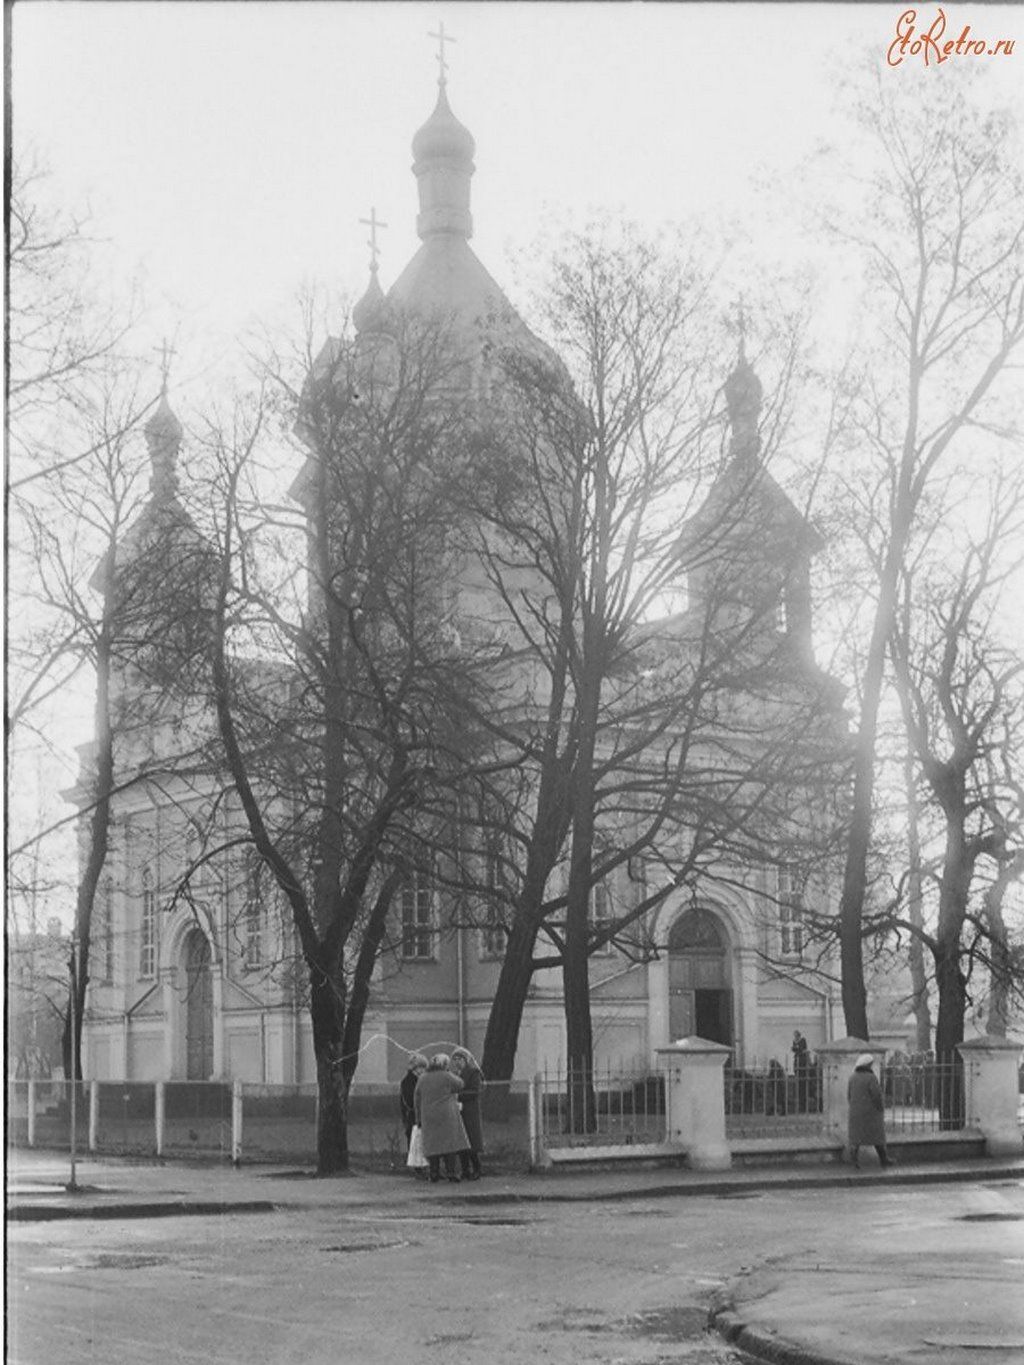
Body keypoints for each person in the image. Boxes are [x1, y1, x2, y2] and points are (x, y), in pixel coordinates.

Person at [414, 1053, 470, 1183]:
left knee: (432, 1145)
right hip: (446, 1115)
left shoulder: (422, 1078)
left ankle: (434, 1173)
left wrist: (418, 1118)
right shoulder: (447, 1076)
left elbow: (417, 1098)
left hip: (428, 1116)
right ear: (445, 1065)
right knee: (449, 1145)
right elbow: (461, 1084)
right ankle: (451, 1173)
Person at [847, 1052, 893, 1169]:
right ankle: (884, 1159)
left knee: (856, 1138)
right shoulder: (871, 1078)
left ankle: (854, 1161)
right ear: (868, 1065)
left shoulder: (852, 1077)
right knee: (877, 1137)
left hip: (856, 1112)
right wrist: (880, 1107)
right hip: (871, 1112)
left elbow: (849, 1095)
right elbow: (876, 1095)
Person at [451, 1047, 484, 1179]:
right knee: (461, 1141)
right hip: (458, 1111)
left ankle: (477, 1168)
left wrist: (459, 1095)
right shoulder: (454, 1074)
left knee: (471, 1140)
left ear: (466, 1060)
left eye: (459, 1059)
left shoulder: (473, 1072)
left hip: (470, 1110)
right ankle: (465, 1170)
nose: (457, 1062)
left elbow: (475, 1091)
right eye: (455, 1059)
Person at [399, 1053, 428, 1177]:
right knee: (415, 1142)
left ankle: (424, 1167)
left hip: (422, 1115)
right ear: (414, 1068)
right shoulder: (408, 1081)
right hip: (412, 1117)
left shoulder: (422, 1080)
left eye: (424, 1067)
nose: (423, 1070)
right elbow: (409, 1101)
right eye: (421, 1068)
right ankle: (418, 1169)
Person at [792, 1031, 809, 1112]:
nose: (795, 1037)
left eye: (796, 1035)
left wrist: (797, 1048)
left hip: (802, 1069)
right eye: (794, 1036)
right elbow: (795, 1049)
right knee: (799, 1089)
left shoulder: (802, 1040)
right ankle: (800, 1106)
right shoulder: (795, 1042)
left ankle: (803, 1106)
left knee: (803, 1088)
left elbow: (801, 1049)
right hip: (798, 1069)